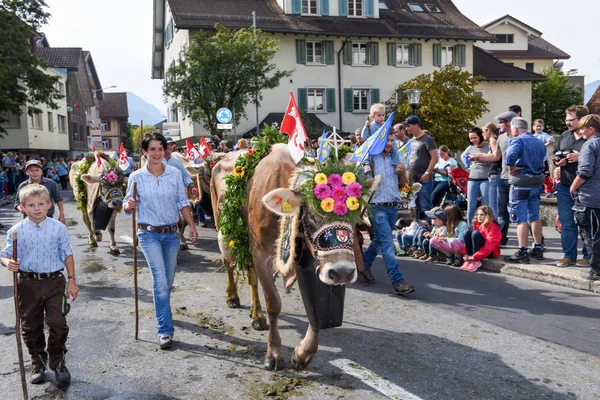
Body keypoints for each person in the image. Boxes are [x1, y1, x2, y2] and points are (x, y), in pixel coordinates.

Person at [123, 133, 198, 349]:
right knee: (160, 282)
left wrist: (191, 225)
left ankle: (163, 314)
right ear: (144, 152)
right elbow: (128, 203)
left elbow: (181, 201)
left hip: (172, 234)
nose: (157, 153)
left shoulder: (174, 174)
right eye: (152, 149)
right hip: (148, 234)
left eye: (160, 149)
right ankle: (164, 330)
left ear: (165, 151)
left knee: (168, 281)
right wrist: (130, 205)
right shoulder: (136, 177)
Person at [1, 184, 79, 385]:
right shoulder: (16, 231)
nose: (36, 208)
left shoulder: (58, 228)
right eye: (31, 205)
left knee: (58, 324)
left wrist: (72, 281)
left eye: (41, 204)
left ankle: (58, 362)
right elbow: (5, 255)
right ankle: (37, 361)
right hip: (27, 284)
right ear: (22, 207)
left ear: (49, 205)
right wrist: (8, 262)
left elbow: (67, 254)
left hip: (54, 282)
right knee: (30, 325)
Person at [360, 135, 415, 295]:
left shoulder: (395, 157)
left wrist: (403, 172)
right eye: (387, 141)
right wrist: (366, 173)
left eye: (392, 141)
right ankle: (398, 281)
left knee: (380, 240)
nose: (390, 144)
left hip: (393, 206)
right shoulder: (370, 158)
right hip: (376, 206)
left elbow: (403, 183)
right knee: (387, 244)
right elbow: (361, 184)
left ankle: (363, 264)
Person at [503, 117, 546, 263]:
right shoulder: (539, 141)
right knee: (534, 216)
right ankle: (538, 248)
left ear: (515, 129)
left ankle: (522, 251)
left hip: (521, 183)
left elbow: (509, 157)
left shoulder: (517, 140)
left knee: (520, 218)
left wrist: (512, 166)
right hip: (536, 183)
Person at [472, 111, 517, 247]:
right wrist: (479, 157)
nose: (499, 125)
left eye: (501, 122)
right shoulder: (501, 138)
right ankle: (501, 238)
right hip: (503, 177)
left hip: (515, 178)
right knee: (501, 210)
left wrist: (478, 156)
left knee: (517, 211)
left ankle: (535, 243)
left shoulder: (518, 137)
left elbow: (496, 157)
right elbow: (497, 156)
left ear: (508, 123)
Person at [553, 105, 590, 267]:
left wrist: (580, 156)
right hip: (565, 185)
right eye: (566, 120)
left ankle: (588, 256)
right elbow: (555, 155)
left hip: (586, 187)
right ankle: (569, 255)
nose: (567, 123)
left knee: (586, 223)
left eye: (571, 120)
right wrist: (558, 162)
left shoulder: (592, 137)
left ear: (581, 119)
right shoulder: (564, 135)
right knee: (567, 223)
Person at [569, 114, 600, 280]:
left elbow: (585, 171)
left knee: (591, 236)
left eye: (583, 128)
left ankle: (596, 270)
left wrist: (573, 188)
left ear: (592, 129)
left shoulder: (590, 145)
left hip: (590, 197)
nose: (580, 131)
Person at [405, 115, 438, 220]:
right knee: (415, 206)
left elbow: (434, 158)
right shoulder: (410, 141)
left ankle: (429, 230)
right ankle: (418, 228)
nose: (407, 129)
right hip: (412, 178)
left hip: (424, 177)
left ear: (416, 125)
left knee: (425, 205)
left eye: (409, 126)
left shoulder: (428, 139)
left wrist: (428, 173)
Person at [15, 160, 65, 224]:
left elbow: (58, 199)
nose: (34, 173)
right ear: (27, 172)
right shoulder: (23, 185)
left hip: (48, 217)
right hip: (29, 218)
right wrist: (21, 209)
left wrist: (62, 214)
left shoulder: (51, 183)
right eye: (31, 170)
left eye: (37, 170)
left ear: (41, 171)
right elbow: (17, 203)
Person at [461, 127, 491, 225]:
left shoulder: (489, 146)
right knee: (471, 204)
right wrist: (468, 166)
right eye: (471, 138)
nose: (473, 140)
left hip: (485, 178)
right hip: (473, 178)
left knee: (485, 204)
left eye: (475, 138)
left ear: (480, 136)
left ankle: (485, 226)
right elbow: (463, 156)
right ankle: (471, 226)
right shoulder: (470, 148)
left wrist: (480, 158)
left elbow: (492, 158)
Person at [460, 205, 501, 272]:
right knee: (467, 232)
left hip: (490, 252)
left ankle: (475, 261)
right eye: (478, 214)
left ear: (487, 216)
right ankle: (469, 260)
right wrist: (465, 253)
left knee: (475, 233)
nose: (479, 216)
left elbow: (489, 246)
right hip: (477, 251)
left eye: (482, 215)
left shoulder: (494, 227)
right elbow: (467, 242)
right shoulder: (477, 224)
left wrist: (475, 257)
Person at [481, 123, 501, 217]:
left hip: (495, 172)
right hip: (497, 172)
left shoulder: (493, 139)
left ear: (488, 130)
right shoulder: (498, 139)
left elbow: (495, 156)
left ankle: (495, 226)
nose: (482, 134)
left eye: (483, 131)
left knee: (493, 203)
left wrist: (479, 157)